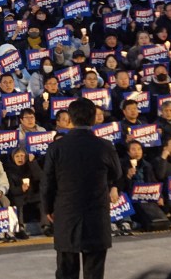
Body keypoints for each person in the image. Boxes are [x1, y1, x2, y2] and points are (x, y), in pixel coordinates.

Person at [41, 98, 122, 279]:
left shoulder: (56, 147)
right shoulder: (105, 146)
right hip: (96, 214)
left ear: (70, 118)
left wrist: (47, 208)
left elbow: (47, 182)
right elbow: (117, 175)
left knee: (66, 269)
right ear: (94, 119)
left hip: (66, 213)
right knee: (94, 270)